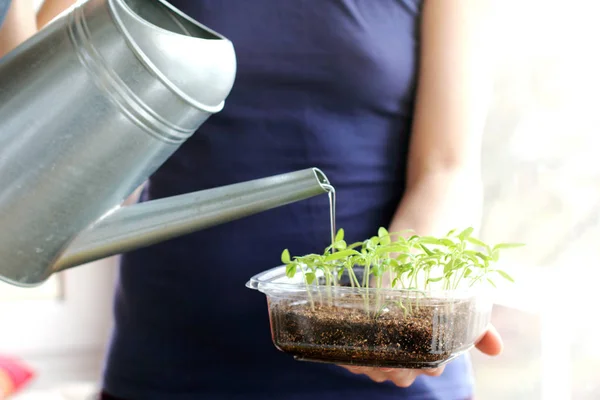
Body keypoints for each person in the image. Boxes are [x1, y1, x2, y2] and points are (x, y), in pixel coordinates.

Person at [3, 0, 504, 399]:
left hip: (382, 378)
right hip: (173, 361)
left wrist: (393, 308)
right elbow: (30, 129)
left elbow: (448, 168)